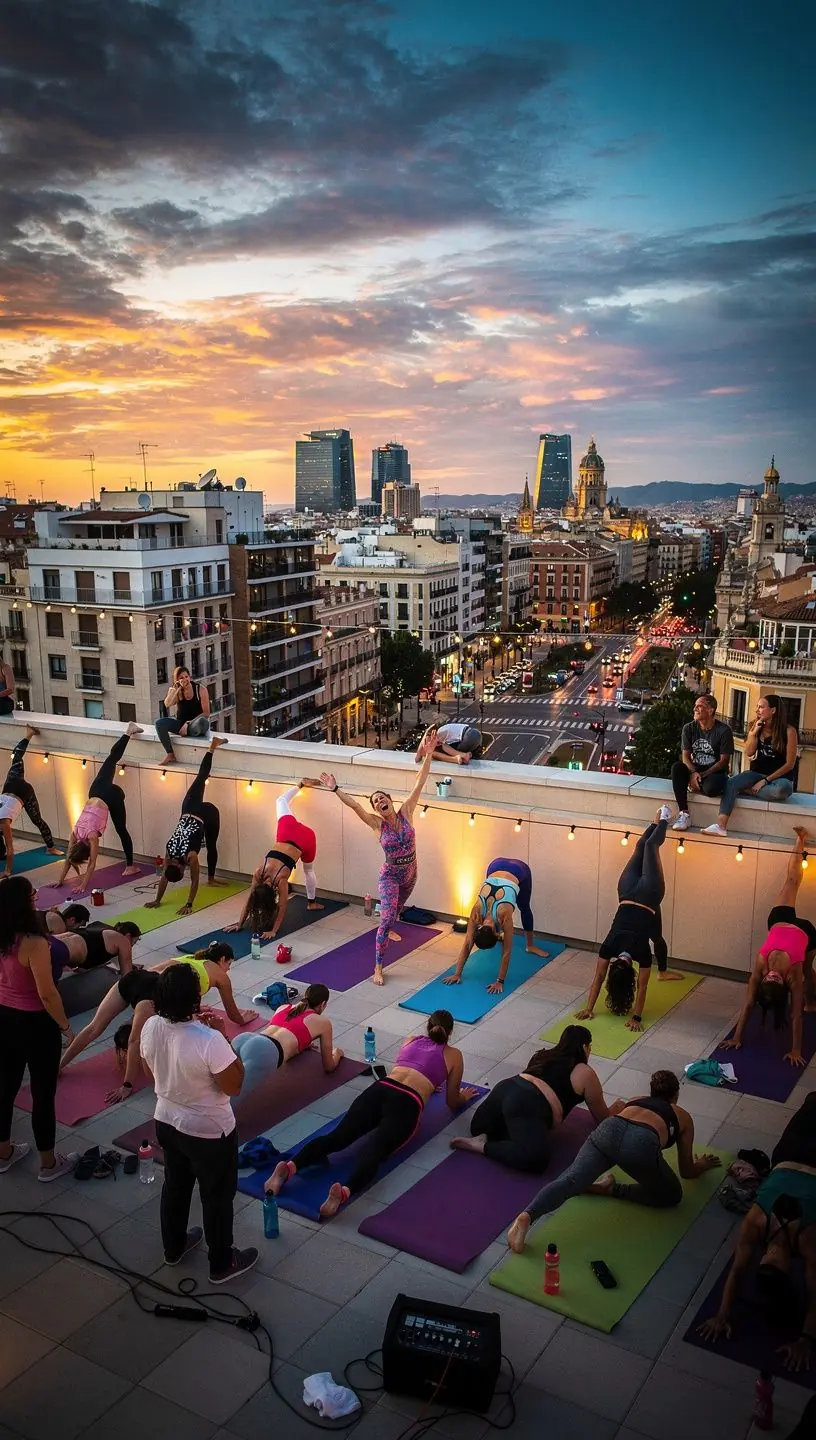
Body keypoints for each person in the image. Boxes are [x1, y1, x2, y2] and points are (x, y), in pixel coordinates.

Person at [265, 1009, 477, 1219]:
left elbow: (414, 1067)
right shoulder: (454, 1055)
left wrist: (430, 1082)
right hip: (408, 1102)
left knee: (337, 1137)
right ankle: (344, 1192)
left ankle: (290, 1167)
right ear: (450, 1033)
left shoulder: (410, 1040)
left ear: (428, 1027)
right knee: (375, 1150)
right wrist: (463, 1097)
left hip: (380, 1089)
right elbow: (451, 1101)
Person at [507, 1069, 721, 1252]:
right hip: (639, 1145)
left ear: (651, 1091)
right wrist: (702, 1165)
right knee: (672, 1195)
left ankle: (527, 1216)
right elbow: (686, 1170)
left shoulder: (636, 1100)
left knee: (571, 1180)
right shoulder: (682, 1117)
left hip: (608, 1130)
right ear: (676, 1095)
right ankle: (612, 1190)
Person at [139, 963, 258, 1284]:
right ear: (194, 999)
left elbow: (152, 1070)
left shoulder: (150, 1026)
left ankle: (173, 1247)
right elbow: (234, 1085)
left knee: (175, 1188)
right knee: (216, 1197)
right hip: (209, 1131)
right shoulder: (209, 1039)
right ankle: (221, 1263)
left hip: (166, 1119)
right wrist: (222, 1036)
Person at [697, 1093, 816, 1373]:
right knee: (812, 1102)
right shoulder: (759, 1224)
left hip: (795, 1158)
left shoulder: (806, 1239)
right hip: (786, 1156)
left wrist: (723, 1315)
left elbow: (739, 1271)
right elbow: (738, 1271)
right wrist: (804, 1341)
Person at [59, 941, 256, 1104]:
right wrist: (127, 1085)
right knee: (136, 1033)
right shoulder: (218, 977)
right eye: (229, 964)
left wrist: (194, 1012)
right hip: (145, 991)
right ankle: (66, 1067)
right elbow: (135, 1040)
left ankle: (59, 1065)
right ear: (222, 960)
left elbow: (158, 975)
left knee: (94, 1027)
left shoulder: (192, 958)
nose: (229, 969)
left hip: (134, 979)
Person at [320, 732, 435, 984]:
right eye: (375, 802)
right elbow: (355, 806)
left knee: (396, 912)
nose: (379, 801)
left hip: (412, 873)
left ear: (390, 802)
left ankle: (390, 926)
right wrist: (336, 789)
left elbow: (420, 782)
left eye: (382, 798)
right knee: (385, 918)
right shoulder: (376, 825)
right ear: (376, 809)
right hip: (390, 875)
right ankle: (378, 967)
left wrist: (427, 755)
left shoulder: (406, 812)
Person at [576, 809, 683, 1034]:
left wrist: (635, 1016)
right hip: (632, 892)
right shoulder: (610, 948)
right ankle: (660, 820)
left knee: (647, 848)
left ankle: (660, 820)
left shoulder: (641, 955)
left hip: (642, 894)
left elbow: (642, 987)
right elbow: (598, 977)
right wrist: (589, 1007)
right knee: (645, 847)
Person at [0, 876, 79, 1182]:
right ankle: (48, 1164)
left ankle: (4, 1153)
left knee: (4, 1088)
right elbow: (47, 993)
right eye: (32, 894)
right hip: (34, 1023)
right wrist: (66, 1027)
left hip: (4, 1018)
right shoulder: (34, 942)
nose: (36, 897)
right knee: (42, 1093)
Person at [451, 1024, 612, 1172]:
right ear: (585, 1047)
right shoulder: (585, 1072)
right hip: (527, 1103)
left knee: (479, 1128)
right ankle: (482, 1146)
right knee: (536, 1160)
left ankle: (484, 1136)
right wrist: (617, 1109)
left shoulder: (543, 1055)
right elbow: (603, 1119)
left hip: (505, 1088)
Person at [720, 831, 816, 1068]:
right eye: (776, 979)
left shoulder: (760, 967)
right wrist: (795, 1050)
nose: (773, 974)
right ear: (783, 985)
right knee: (807, 972)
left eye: (769, 978)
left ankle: (800, 839)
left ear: (764, 979)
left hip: (780, 921)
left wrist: (737, 1036)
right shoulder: (793, 977)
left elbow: (749, 1004)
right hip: (807, 934)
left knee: (791, 881)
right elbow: (795, 1017)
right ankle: (812, 1001)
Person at [226, 780, 324, 940]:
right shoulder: (259, 872)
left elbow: (282, 906)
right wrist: (239, 923)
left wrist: (274, 931)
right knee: (280, 801)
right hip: (287, 833)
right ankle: (300, 784)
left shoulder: (281, 880)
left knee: (308, 870)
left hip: (306, 838)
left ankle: (312, 903)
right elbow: (251, 898)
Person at [54, 724, 143, 892]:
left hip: (112, 796)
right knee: (111, 759)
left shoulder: (92, 837)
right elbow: (69, 857)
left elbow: (92, 864)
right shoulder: (75, 833)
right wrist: (60, 879)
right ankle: (128, 732)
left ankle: (130, 866)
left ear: (86, 851)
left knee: (122, 830)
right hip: (95, 791)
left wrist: (83, 886)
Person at [443, 858, 551, 994]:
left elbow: (507, 951)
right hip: (495, 865)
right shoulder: (477, 911)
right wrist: (457, 973)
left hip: (519, 869)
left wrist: (500, 981)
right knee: (524, 908)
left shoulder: (504, 915)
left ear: (496, 934)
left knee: (524, 907)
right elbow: (468, 943)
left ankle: (530, 946)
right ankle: (529, 945)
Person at [146, 737, 228, 915]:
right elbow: (165, 879)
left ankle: (213, 745)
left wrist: (189, 904)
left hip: (200, 811)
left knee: (202, 776)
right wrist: (157, 900)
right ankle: (212, 878)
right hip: (194, 810)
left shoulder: (190, 856)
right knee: (212, 844)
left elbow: (195, 879)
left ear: (181, 867)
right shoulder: (169, 856)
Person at [704, 695, 798, 836]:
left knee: (783, 790)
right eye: (757, 707)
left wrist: (765, 781)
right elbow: (749, 752)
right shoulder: (756, 725)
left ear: (773, 710)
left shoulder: (789, 732)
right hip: (756, 773)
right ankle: (721, 826)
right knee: (731, 783)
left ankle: (746, 790)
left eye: (761, 707)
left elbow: (790, 764)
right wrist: (753, 734)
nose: (757, 710)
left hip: (779, 778)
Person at [232, 984, 343, 1096]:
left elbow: (286, 1030)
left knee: (217, 1087)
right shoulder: (323, 1022)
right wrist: (337, 1054)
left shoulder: (283, 1007)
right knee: (231, 1098)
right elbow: (329, 1066)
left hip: (247, 1038)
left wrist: (303, 1043)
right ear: (323, 1004)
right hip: (264, 1050)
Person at [0, 725, 62, 874]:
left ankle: (50, 847)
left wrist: (8, 871)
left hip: (22, 791)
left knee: (37, 820)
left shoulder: (3, 822)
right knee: (16, 756)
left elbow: (10, 848)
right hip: (11, 787)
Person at [671, 694, 734, 831]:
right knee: (677, 768)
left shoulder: (724, 731)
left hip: (714, 772)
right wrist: (693, 773)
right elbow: (685, 757)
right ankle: (684, 814)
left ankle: (695, 784)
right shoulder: (689, 728)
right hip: (695, 769)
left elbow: (724, 761)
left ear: (711, 710)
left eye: (699, 706)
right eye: (695, 706)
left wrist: (702, 775)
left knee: (712, 789)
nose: (695, 709)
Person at [155, 665, 210, 762]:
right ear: (177, 680)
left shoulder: (200, 689)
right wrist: (174, 690)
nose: (185, 679)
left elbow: (206, 713)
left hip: (195, 724)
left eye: (186, 676)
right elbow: (167, 704)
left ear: (190, 677)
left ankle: (189, 730)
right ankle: (170, 754)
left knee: (203, 722)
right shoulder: (177, 691)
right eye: (181, 678)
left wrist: (188, 723)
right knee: (159, 723)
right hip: (180, 725)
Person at [55, 921, 140, 977]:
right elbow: (127, 976)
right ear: (128, 936)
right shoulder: (123, 941)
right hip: (69, 949)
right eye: (134, 942)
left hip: (65, 939)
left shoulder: (103, 928)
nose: (132, 946)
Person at [417, 722, 482, 766]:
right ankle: (463, 756)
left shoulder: (439, 733)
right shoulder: (444, 729)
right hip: (475, 734)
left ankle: (463, 756)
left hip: (468, 737)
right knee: (439, 748)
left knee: (442, 747)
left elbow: (418, 757)